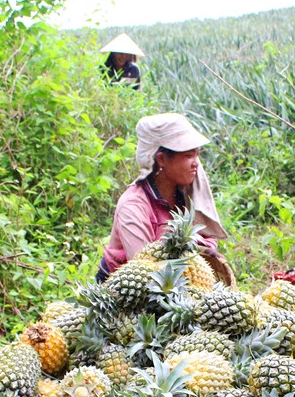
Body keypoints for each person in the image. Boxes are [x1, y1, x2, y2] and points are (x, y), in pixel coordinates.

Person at [97, 114, 227, 282]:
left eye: (197, 155)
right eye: (189, 156)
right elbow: (144, 270)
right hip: (128, 288)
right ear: (162, 159)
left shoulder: (188, 191)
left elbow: (207, 231)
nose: (196, 163)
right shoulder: (133, 206)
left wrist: (204, 250)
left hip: (176, 284)